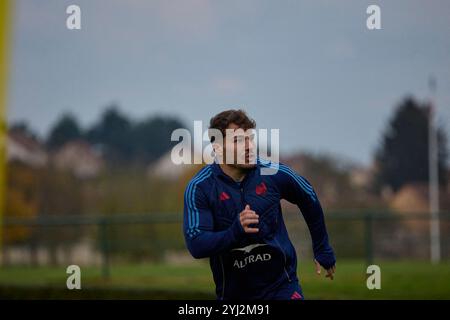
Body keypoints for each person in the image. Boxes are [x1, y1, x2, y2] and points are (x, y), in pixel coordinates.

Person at [183, 109, 336, 300]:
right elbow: (197, 245)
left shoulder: (273, 173)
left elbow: (308, 197)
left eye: (250, 139)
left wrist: (322, 247)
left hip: (283, 288)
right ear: (218, 148)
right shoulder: (200, 187)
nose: (249, 146)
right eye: (238, 141)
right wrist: (235, 231)